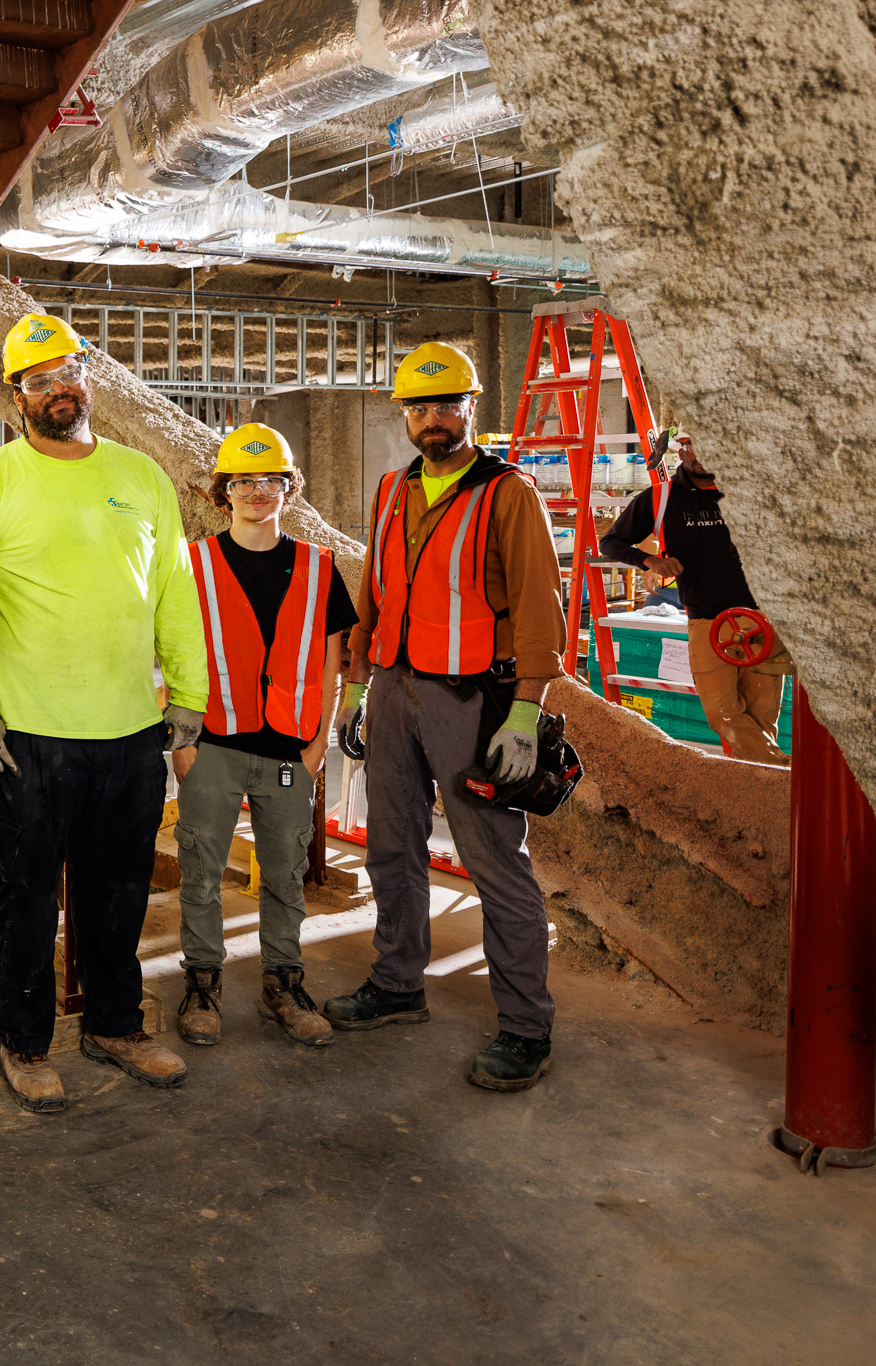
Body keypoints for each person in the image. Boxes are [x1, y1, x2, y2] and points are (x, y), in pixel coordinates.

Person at [0, 312, 207, 1115]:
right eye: (37, 380)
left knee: (120, 888)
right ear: (14, 396)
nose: (58, 388)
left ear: (87, 376)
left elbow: (173, 592)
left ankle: (115, 1025)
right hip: (29, 734)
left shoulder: (142, 477)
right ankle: (24, 1042)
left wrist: (190, 695)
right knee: (28, 897)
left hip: (130, 728)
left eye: (69, 370)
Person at [323, 342, 568, 1092]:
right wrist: (358, 688)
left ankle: (527, 1028)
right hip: (395, 690)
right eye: (418, 407)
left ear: (471, 407)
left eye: (446, 405)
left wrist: (525, 713)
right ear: (405, 414)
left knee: (495, 864)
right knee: (391, 849)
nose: (432, 419)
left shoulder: (509, 493)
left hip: (473, 702)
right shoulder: (394, 490)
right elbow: (377, 593)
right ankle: (398, 984)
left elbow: (538, 610)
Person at [175, 424, 356, 1050]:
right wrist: (181, 743)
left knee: (284, 876)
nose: (258, 492)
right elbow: (171, 654)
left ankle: (284, 980)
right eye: (244, 481)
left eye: (270, 480)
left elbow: (335, 660)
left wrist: (317, 749)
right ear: (224, 492)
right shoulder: (191, 563)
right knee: (199, 870)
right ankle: (202, 981)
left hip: (291, 748)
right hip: (214, 744)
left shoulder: (319, 567)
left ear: (289, 489)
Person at [599, 428, 790, 764]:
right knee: (722, 715)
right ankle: (785, 777)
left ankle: (763, 795)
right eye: (693, 447)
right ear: (681, 450)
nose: (701, 455)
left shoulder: (752, 493)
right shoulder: (660, 500)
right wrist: (650, 560)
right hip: (707, 623)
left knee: (763, 718)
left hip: (763, 621)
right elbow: (611, 542)